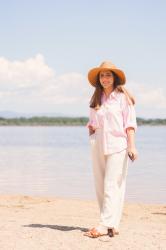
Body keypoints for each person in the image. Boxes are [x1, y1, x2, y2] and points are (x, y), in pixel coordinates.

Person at [83, 61, 138, 238]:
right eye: (102, 75)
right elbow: (92, 122)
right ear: (98, 79)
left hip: (118, 145)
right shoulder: (95, 99)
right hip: (98, 143)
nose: (105, 78)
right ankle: (111, 225)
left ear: (114, 78)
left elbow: (129, 124)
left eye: (108, 75)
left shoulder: (123, 98)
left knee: (112, 185)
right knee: (100, 185)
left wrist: (132, 146)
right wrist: (92, 132)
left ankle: (104, 224)